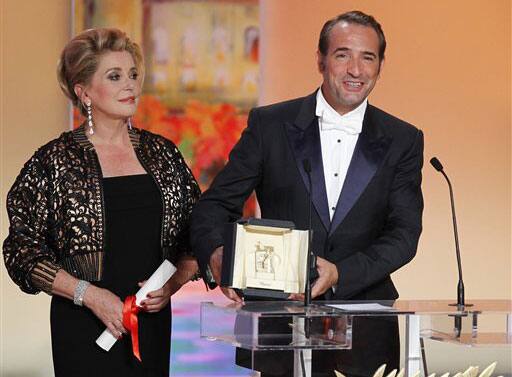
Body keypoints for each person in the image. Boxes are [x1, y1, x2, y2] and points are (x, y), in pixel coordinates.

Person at [191, 10, 423, 377]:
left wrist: (340, 273)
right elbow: (214, 206)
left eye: (368, 57)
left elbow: (404, 235)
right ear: (320, 59)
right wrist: (218, 255)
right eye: (343, 54)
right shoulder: (270, 125)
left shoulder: (403, 139)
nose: (355, 70)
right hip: (277, 325)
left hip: (365, 328)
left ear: (380, 66)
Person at [3, 28, 200, 377]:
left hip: (151, 324)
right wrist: (90, 296)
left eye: (133, 75)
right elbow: (22, 252)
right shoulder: (54, 161)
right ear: (85, 92)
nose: (131, 86)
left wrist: (173, 284)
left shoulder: (163, 154)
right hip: (84, 328)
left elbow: (198, 232)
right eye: (115, 76)